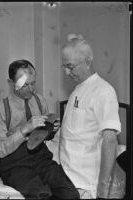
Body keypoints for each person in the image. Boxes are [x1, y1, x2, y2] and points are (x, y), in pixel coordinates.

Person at [0, 59, 79, 200]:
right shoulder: (0, 109)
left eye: (33, 83)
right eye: (25, 85)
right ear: (11, 83)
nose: (31, 89)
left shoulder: (40, 101)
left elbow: (44, 135)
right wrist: (24, 130)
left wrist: (51, 130)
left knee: (69, 193)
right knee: (40, 195)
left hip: (41, 158)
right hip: (14, 165)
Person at [59, 34, 121, 199]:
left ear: (88, 61)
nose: (66, 72)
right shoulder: (78, 89)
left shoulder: (103, 91)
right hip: (67, 179)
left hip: (85, 185)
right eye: (63, 66)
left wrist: (102, 190)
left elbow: (110, 140)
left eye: (70, 66)